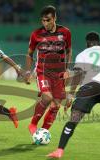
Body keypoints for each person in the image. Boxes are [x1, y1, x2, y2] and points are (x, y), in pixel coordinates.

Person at [25, 5, 72, 135]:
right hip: (43, 72)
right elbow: (29, 53)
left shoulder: (65, 32)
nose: (45, 23)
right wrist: (28, 72)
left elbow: (68, 50)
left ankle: (44, 132)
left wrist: (67, 69)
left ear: (55, 18)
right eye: (43, 20)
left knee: (56, 105)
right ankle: (33, 123)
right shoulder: (36, 34)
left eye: (48, 20)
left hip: (59, 74)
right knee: (47, 97)